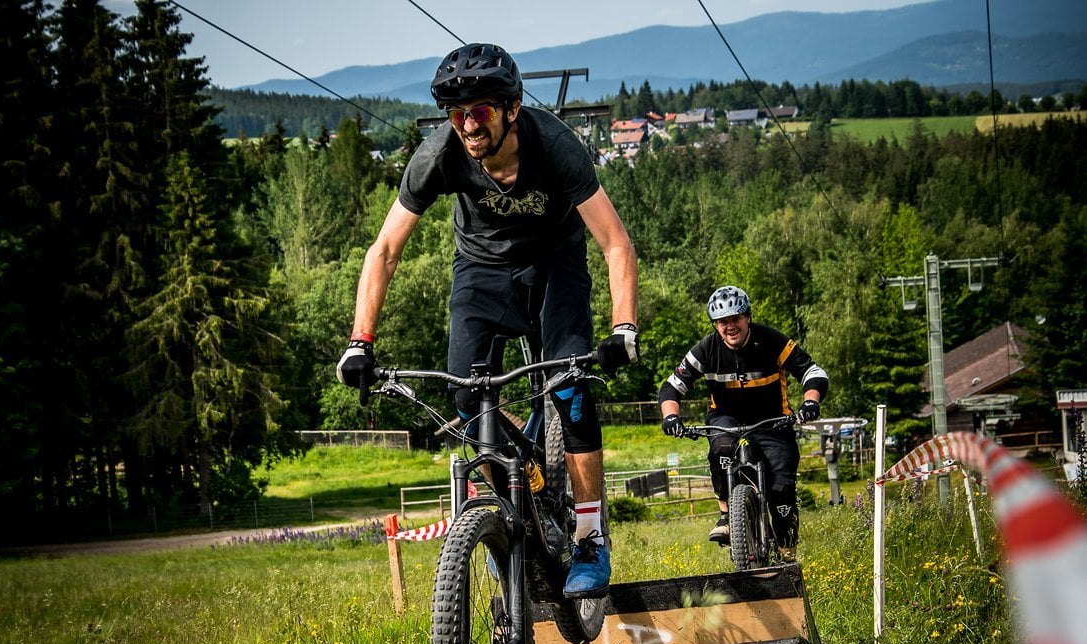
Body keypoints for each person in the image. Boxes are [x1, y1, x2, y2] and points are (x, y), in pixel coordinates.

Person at [336, 43, 639, 598]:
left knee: (571, 392)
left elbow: (616, 242)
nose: (468, 125)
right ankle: (510, 520)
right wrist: (360, 341)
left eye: (480, 111)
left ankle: (592, 536)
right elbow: (383, 251)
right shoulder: (438, 157)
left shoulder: (556, 148)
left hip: (555, 262)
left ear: (511, 109)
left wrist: (624, 329)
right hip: (481, 267)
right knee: (468, 400)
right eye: (456, 113)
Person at [657, 286, 827, 561]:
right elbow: (671, 388)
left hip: (773, 420)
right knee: (721, 448)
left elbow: (812, 371)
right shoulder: (706, 348)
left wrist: (810, 401)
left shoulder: (771, 340)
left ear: (747, 317)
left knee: (781, 493)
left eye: (735, 318)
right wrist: (671, 417)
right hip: (726, 418)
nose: (730, 326)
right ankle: (726, 515)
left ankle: (787, 558)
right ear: (716, 325)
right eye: (723, 322)